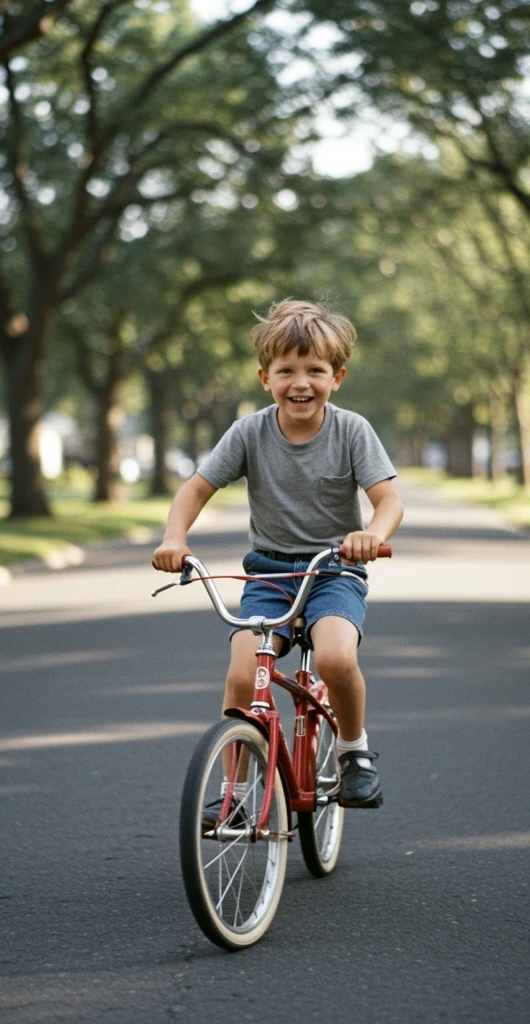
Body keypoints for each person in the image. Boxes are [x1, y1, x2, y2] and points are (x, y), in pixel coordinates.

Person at [152, 299, 403, 807]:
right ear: (265, 378)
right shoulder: (250, 432)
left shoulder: (352, 431)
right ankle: (235, 791)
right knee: (244, 673)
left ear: (338, 377)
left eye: (315, 370)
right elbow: (196, 489)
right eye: (286, 370)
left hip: (334, 571)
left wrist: (370, 534)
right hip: (267, 574)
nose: (301, 383)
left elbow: (388, 500)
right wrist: (174, 538)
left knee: (334, 656)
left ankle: (354, 752)